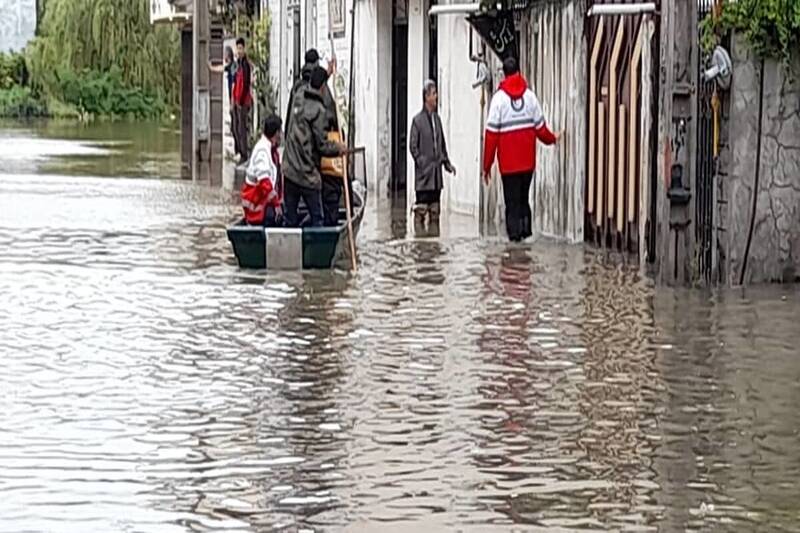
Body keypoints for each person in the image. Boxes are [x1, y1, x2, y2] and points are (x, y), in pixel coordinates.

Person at [483, 56, 562, 242]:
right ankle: (526, 238)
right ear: (518, 72)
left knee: (511, 204)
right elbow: (541, 130)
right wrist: (553, 139)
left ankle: (514, 247)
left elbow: (491, 137)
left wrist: (486, 167)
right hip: (527, 164)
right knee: (524, 199)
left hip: (509, 167)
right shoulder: (530, 97)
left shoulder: (498, 100)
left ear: (504, 74)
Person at [282, 66, 347, 228]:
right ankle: (316, 250)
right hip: (307, 175)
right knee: (318, 219)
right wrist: (339, 148)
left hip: (289, 169)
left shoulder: (298, 96)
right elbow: (323, 146)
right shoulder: (319, 111)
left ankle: (288, 249)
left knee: (290, 219)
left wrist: (327, 73)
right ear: (323, 87)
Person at [409, 79, 455, 227]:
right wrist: (422, 163)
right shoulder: (417, 121)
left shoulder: (437, 120)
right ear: (426, 96)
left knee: (435, 213)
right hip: (423, 178)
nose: (436, 97)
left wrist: (447, 163)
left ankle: (434, 246)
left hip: (436, 178)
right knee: (420, 212)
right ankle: (420, 244)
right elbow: (413, 146)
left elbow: (442, 145)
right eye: (434, 94)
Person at [241, 115, 283, 227]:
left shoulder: (271, 150)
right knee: (279, 218)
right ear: (276, 133)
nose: (282, 135)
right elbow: (265, 183)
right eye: (280, 131)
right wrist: (277, 204)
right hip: (257, 208)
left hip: (262, 204)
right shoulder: (262, 151)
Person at [232, 37, 253, 163]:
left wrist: (240, 101)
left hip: (243, 102)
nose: (239, 51)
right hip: (237, 100)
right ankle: (240, 151)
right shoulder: (238, 64)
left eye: (240, 48)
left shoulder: (245, 65)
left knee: (241, 128)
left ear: (244, 49)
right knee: (236, 127)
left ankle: (244, 154)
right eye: (237, 48)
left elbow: (245, 84)